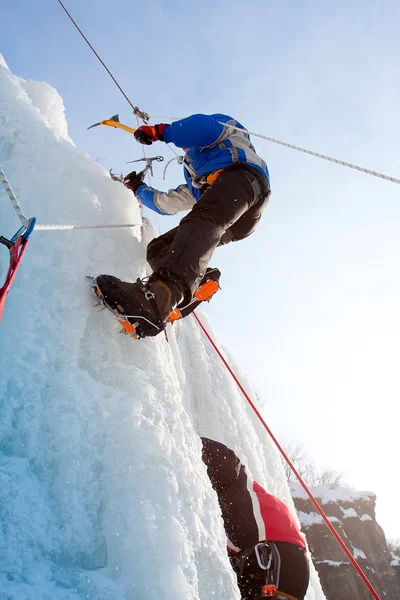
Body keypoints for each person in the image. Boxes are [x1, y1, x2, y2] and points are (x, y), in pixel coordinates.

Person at [95, 113, 271, 338]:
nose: (187, 149)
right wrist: (138, 187)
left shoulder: (226, 133)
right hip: (233, 216)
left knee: (201, 220)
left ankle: (159, 300)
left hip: (244, 181)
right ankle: (197, 284)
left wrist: (160, 132)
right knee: (160, 248)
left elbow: (202, 126)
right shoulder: (197, 176)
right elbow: (168, 204)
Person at [201, 438, 309, 600]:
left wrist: (187, 438)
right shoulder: (230, 507)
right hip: (275, 558)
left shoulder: (234, 489)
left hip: (275, 554)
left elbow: (225, 460)